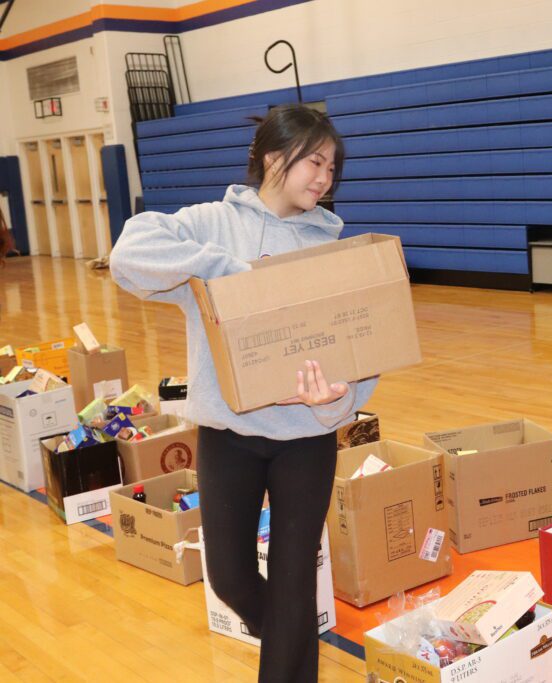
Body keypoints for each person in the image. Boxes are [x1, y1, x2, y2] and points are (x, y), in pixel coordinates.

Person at [109, 104, 376, 683]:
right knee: (229, 576)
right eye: (314, 161)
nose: (325, 178)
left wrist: (335, 398)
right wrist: (226, 271)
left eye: (333, 167)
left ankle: (287, 662)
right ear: (273, 157)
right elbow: (128, 255)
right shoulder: (211, 223)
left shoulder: (331, 247)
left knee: (290, 578)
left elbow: (363, 351)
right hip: (227, 436)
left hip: (305, 440)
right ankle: (294, 645)